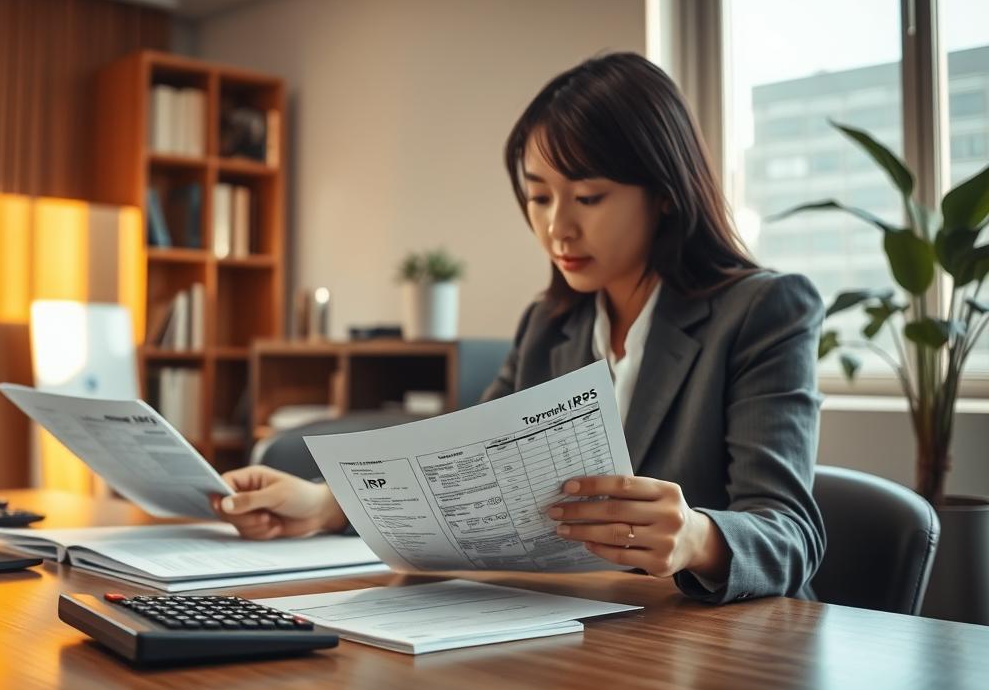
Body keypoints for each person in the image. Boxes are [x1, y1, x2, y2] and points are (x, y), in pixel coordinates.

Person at [210, 52, 826, 604]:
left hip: (711, 650)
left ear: (664, 194)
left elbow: (791, 534)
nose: (559, 228)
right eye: (539, 197)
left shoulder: (764, 312)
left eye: (588, 197)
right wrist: (323, 504)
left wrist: (698, 538)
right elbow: (461, 477)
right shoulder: (549, 324)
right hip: (569, 630)